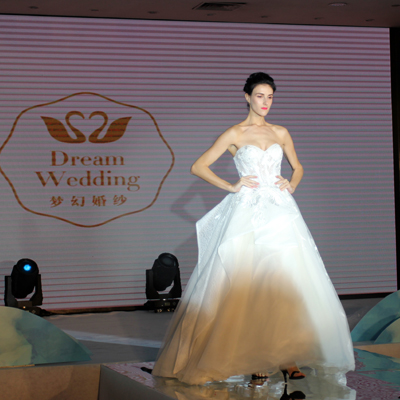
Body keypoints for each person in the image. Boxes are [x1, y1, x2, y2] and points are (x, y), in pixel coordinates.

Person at [152, 72, 354, 385]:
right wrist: (231, 186)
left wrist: (292, 184)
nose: (265, 102)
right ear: (247, 97)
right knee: (248, 285)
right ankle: (256, 357)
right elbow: (198, 166)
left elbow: (298, 167)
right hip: (247, 214)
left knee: (285, 282)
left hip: (280, 212)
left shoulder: (280, 132)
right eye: (260, 96)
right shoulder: (235, 133)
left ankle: (286, 357)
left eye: (270, 97)